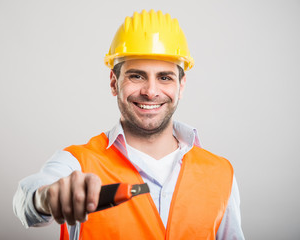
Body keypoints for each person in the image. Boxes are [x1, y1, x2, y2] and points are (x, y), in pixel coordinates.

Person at [13, 9, 245, 240]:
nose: (151, 92)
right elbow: (26, 200)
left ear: (181, 86)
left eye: (164, 77)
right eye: (136, 76)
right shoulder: (77, 163)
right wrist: (45, 198)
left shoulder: (221, 174)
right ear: (114, 83)